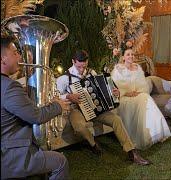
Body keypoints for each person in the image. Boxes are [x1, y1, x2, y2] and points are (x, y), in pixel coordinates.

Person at [56, 50, 150, 165]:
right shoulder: (64, 78)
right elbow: (56, 96)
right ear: (73, 61)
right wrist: (68, 96)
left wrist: (114, 92)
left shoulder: (92, 73)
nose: (81, 70)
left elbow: (102, 88)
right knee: (79, 127)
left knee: (116, 119)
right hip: (76, 109)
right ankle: (93, 144)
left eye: (84, 66)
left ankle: (131, 152)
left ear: (87, 62)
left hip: (96, 109)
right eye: (79, 66)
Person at [1, 35, 70, 179]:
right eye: (14, 53)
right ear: (2, 59)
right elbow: (35, 116)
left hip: (6, 148)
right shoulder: (9, 86)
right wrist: (58, 105)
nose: (19, 55)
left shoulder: (7, 85)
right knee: (60, 162)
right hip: (10, 155)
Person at [111, 48, 171, 150]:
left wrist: (138, 92)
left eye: (132, 55)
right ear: (123, 57)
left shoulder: (137, 68)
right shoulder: (118, 69)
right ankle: (144, 134)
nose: (131, 56)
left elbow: (143, 85)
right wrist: (126, 92)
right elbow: (115, 86)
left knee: (145, 97)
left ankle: (155, 133)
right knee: (143, 99)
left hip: (137, 94)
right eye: (128, 54)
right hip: (124, 97)